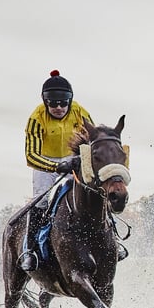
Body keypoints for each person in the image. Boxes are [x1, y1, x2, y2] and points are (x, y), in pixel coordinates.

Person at [18, 70, 94, 271]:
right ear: (45, 102)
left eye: (63, 103)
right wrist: (56, 166)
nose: (59, 108)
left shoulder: (81, 113)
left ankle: (113, 239)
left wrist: (79, 160)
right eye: (53, 104)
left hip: (73, 159)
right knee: (41, 200)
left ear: (70, 101)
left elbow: (93, 141)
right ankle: (29, 250)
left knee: (93, 192)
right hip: (45, 163)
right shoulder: (36, 118)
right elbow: (31, 155)